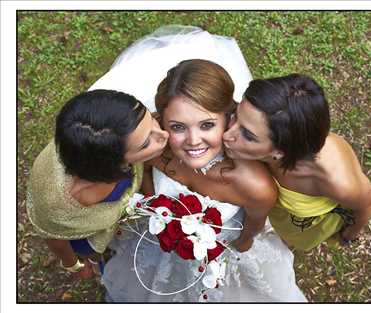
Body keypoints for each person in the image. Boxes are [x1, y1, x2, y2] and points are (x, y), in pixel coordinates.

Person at [101, 59, 307, 302]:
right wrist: (152, 208)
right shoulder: (155, 147)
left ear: (229, 118)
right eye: (178, 127)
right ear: (161, 122)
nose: (193, 140)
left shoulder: (254, 185)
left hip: (222, 257)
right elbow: (145, 172)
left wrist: (230, 249)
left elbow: (251, 230)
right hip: (160, 242)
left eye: (207, 125)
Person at [223, 74, 371, 251]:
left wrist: (348, 235)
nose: (227, 134)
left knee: (293, 240)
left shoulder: (338, 183)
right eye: (236, 115)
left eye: (248, 135)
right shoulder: (260, 130)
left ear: (280, 151)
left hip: (302, 225)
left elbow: (368, 203)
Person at [26, 89, 169, 279]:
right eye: (145, 144)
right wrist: (74, 265)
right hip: (86, 238)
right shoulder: (60, 204)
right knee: (94, 252)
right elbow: (56, 239)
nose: (164, 135)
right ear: (112, 161)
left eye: (152, 121)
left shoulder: (100, 133)